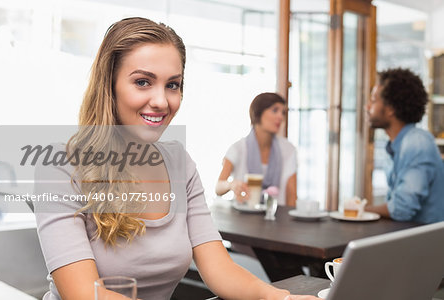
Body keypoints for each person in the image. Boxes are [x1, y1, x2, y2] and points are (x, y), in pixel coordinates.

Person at [32, 17, 319, 300]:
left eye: (172, 85)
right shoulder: (61, 167)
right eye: (143, 82)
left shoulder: (179, 163)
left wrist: (278, 297)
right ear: (109, 86)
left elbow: (218, 267)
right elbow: (83, 294)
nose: (161, 101)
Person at [365, 68, 444, 224]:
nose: (367, 107)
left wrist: (359, 210)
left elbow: (401, 209)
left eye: (373, 100)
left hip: (429, 245)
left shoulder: (416, 143)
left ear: (391, 110)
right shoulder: (397, 145)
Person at [216, 92, 298, 206]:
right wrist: (232, 184)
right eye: (275, 110)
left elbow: (292, 196)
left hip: (277, 218)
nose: (281, 117)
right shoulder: (238, 148)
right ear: (258, 113)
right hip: (243, 217)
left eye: (283, 112)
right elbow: (218, 188)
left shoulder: (289, 150)